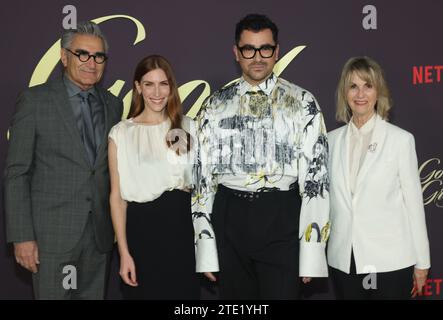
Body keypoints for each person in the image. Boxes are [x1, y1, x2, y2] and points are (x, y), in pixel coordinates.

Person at [192, 13, 330, 299]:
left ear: (277, 51)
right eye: (248, 49)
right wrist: (205, 247)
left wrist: (312, 252)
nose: (257, 57)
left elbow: (316, 183)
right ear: (236, 52)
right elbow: (201, 180)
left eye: (265, 48)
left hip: (282, 218)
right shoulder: (215, 104)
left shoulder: (303, 103)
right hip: (229, 217)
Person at [4, 21, 123, 299]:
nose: (91, 63)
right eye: (83, 54)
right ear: (64, 56)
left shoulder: (112, 105)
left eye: (98, 56)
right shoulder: (35, 101)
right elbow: (17, 173)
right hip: (51, 238)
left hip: (99, 237)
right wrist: (22, 236)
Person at [327, 56, 431, 299]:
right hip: (345, 260)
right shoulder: (330, 141)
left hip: (391, 261)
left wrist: (422, 261)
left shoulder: (400, 140)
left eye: (368, 85)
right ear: (345, 92)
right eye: (353, 86)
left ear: (378, 92)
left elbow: (414, 205)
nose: (360, 94)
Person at [108, 55, 200, 299]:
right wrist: (124, 253)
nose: (157, 92)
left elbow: (202, 189)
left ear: (171, 87)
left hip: (182, 232)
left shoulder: (187, 127)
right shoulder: (122, 133)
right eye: (149, 84)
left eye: (163, 84)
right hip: (142, 233)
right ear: (138, 87)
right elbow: (117, 198)